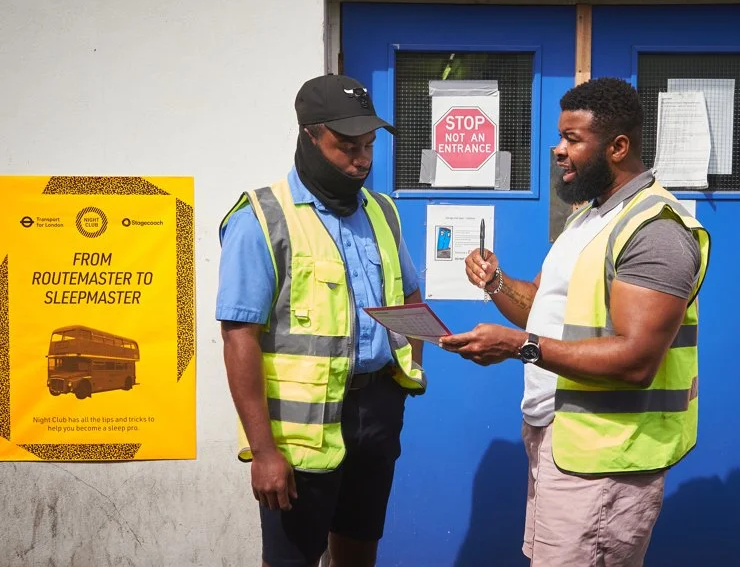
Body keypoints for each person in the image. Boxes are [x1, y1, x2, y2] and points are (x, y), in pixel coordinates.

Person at [439, 77, 710, 567]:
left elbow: (636, 360)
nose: (559, 151)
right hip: (557, 439)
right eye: (561, 138)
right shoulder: (585, 218)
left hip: (606, 457)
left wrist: (519, 347)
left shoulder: (656, 231)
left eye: (573, 139)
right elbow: (542, 309)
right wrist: (497, 282)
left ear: (618, 146)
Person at [216, 74, 426, 567]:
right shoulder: (262, 218)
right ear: (308, 135)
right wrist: (264, 452)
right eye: (346, 146)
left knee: (359, 548)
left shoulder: (383, 212)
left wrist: (415, 363)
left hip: (376, 411)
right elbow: (238, 336)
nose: (363, 160)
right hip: (298, 431)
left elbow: (407, 292)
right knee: (293, 559)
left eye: (370, 145)